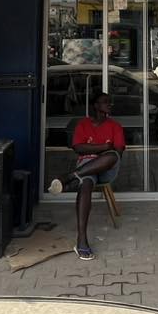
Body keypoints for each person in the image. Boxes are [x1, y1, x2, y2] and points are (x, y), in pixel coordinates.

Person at [48, 91, 125, 260]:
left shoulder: (115, 126)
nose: (109, 104)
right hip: (86, 167)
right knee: (86, 184)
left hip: (107, 169)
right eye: (105, 102)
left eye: (110, 102)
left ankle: (69, 177)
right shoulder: (83, 124)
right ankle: (81, 239)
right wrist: (103, 147)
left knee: (111, 156)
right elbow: (78, 148)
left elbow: (117, 151)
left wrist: (97, 150)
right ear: (96, 106)